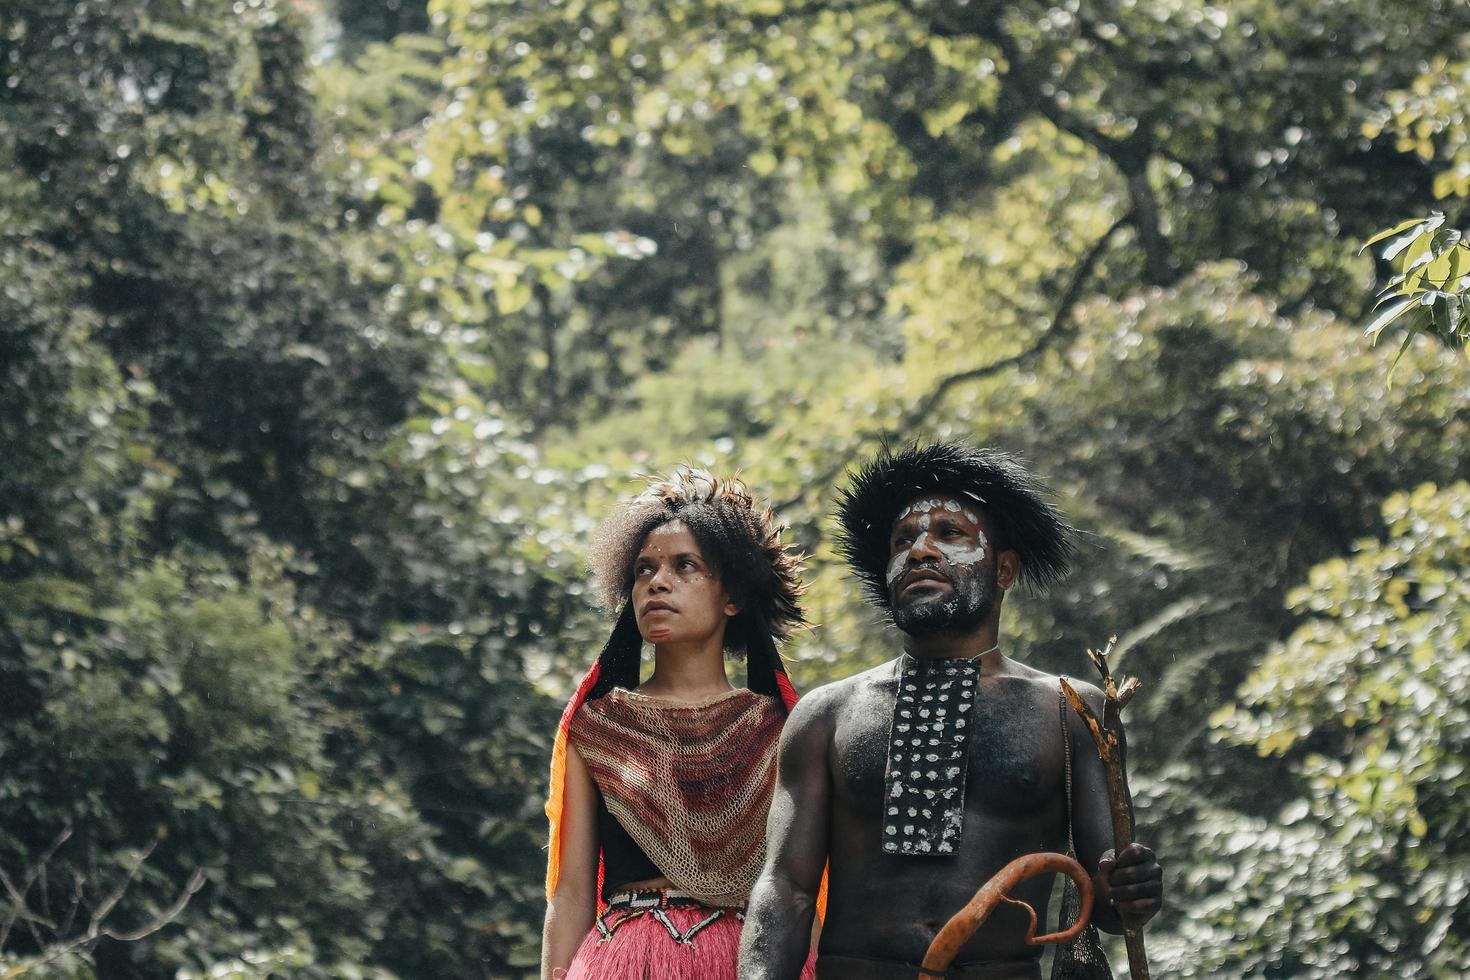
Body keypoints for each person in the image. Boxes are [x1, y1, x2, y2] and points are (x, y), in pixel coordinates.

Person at [739, 443, 1163, 980]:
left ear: (1004, 569)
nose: (919, 551)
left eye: (950, 534)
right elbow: (787, 887)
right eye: (902, 541)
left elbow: (1105, 906)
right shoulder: (825, 716)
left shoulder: (1074, 711)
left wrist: (1134, 885)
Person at [542, 469, 817, 980]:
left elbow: (800, 891)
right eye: (644, 570)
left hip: (751, 963)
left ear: (732, 597)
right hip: (624, 963)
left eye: (684, 565)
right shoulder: (598, 727)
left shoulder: (784, 730)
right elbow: (573, 891)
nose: (657, 583)